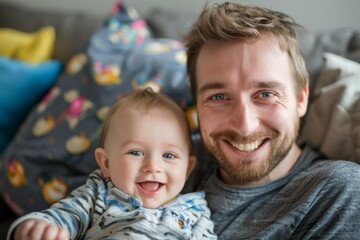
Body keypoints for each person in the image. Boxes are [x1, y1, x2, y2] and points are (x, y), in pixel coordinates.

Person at [183, 2, 360, 239]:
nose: (245, 126)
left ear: (301, 98)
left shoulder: (336, 192)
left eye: (266, 95)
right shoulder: (174, 161)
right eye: (219, 97)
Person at [8, 88, 217, 240]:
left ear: (188, 168)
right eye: (136, 152)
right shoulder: (97, 195)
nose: (153, 166)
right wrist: (38, 227)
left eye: (169, 156)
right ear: (106, 163)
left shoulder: (196, 210)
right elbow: (63, 217)